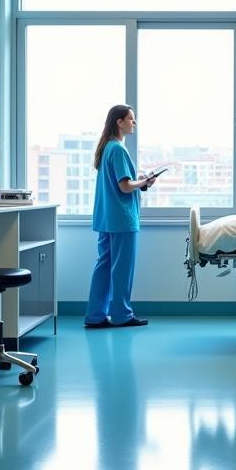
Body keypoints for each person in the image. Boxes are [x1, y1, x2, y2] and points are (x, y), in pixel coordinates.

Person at [84, 105, 156, 329]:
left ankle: (95, 316)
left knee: (104, 266)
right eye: (131, 119)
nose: (134, 123)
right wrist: (144, 182)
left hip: (107, 218)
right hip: (122, 219)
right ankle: (122, 315)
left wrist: (141, 183)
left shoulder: (107, 148)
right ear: (119, 122)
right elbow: (125, 187)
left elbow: (121, 185)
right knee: (122, 270)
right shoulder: (118, 149)